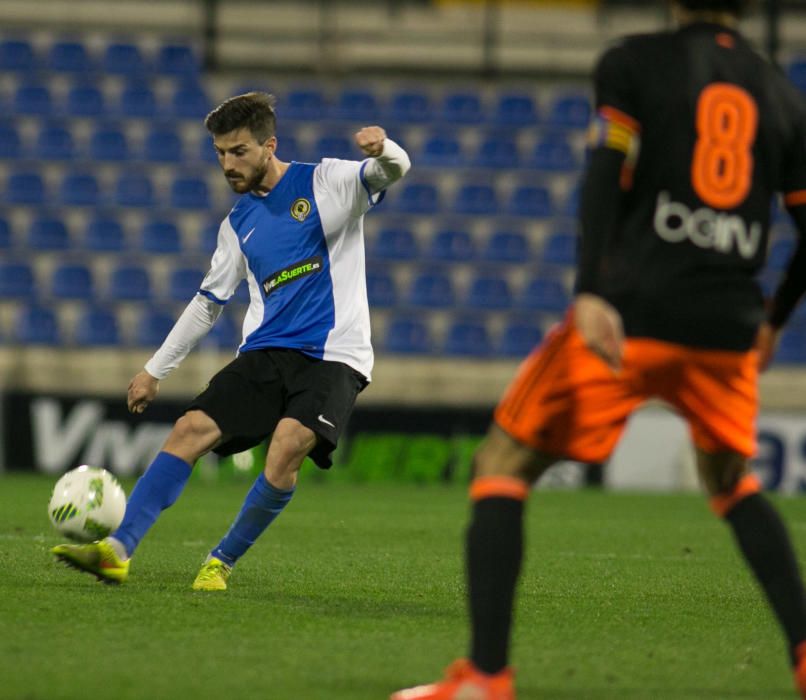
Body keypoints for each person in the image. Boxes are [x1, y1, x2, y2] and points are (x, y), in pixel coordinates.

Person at [392, 1, 806, 698]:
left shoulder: (634, 61)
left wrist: (590, 290)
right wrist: (773, 320)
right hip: (728, 325)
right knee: (732, 482)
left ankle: (486, 679)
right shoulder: (784, 94)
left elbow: (603, 176)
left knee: (503, 462)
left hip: (634, 312)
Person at [52, 91, 411, 591]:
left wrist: (384, 148)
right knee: (188, 429)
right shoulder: (237, 225)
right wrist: (155, 370)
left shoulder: (327, 181)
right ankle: (116, 550)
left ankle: (221, 560)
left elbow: (393, 171)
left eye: (238, 151)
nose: (227, 164)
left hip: (334, 356)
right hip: (266, 352)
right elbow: (207, 303)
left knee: (286, 448)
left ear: (269, 145)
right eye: (220, 153)